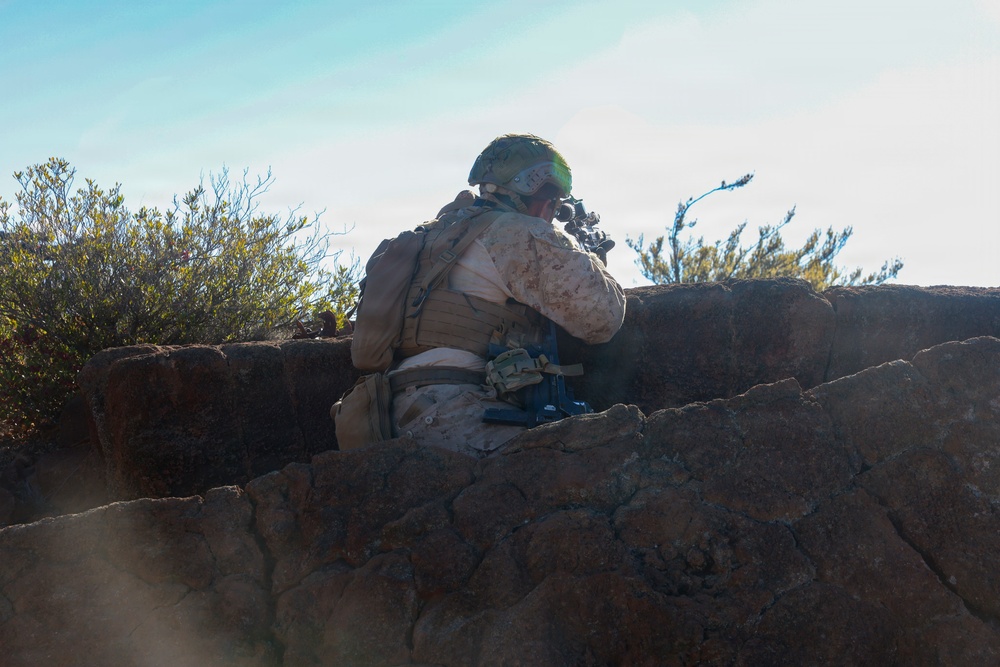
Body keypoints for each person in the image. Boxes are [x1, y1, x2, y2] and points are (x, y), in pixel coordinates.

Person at [383, 133, 626, 457]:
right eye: (552, 199)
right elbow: (601, 318)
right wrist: (591, 259)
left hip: (399, 408)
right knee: (595, 460)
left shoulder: (440, 231)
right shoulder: (514, 232)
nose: (552, 212)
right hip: (457, 410)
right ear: (538, 191)